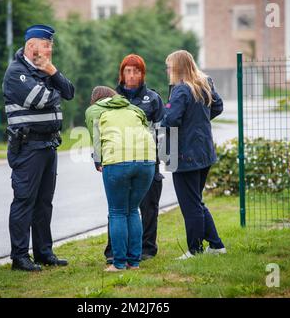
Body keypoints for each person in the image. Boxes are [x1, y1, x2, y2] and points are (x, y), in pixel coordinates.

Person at [3, 24, 74, 271]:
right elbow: (42, 99)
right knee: (24, 201)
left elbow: (69, 92)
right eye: (46, 45)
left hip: (48, 144)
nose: (49, 50)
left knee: (44, 202)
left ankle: (44, 252)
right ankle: (20, 257)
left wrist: (52, 72)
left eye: (51, 46)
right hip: (28, 146)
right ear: (31, 45)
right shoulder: (16, 72)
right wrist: (53, 86)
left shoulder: (44, 69)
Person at [162, 50, 226, 259]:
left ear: (178, 67)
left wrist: (160, 124)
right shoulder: (203, 83)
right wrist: (198, 120)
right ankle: (216, 245)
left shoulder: (181, 90)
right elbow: (218, 106)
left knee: (190, 205)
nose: (167, 70)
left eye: (169, 66)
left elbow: (171, 120)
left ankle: (195, 250)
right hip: (204, 152)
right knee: (196, 201)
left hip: (184, 155)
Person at [85, 86, 156, 271]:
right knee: (133, 210)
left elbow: (96, 138)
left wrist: (98, 161)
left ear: (96, 100)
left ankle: (118, 263)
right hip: (147, 160)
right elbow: (147, 128)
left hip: (117, 161)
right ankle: (134, 262)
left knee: (117, 211)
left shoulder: (94, 111)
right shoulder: (133, 108)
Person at [103, 54, 164, 263]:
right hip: (117, 161)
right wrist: (98, 159)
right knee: (117, 209)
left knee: (148, 207)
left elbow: (164, 130)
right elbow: (98, 129)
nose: (131, 75)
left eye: (136, 71)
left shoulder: (153, 99)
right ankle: (114, 251)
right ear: (121, 74)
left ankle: (146, 249)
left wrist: (162, 160)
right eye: (127, 71)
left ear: (142, 74)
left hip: (147, 161)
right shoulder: (109, 100)